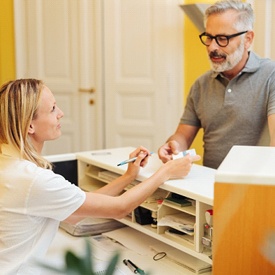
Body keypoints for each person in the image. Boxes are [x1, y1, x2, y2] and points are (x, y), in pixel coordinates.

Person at [0, 79, 200, 274]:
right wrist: (166, 172)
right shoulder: (33, 180)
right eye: (52, 109)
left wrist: (129, 176)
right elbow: (119, 208)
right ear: (30, 126)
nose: (61, 114)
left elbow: (73, 213)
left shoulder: (10, 165)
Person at [158, 0, 275, 169]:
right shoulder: (201, 85)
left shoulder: (271, 76)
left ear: (247, 39)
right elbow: (182, 136)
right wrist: (172, 147)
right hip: (208, 185)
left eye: (222, 39)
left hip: (254, 188)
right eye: (209, 37)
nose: (212, 47)